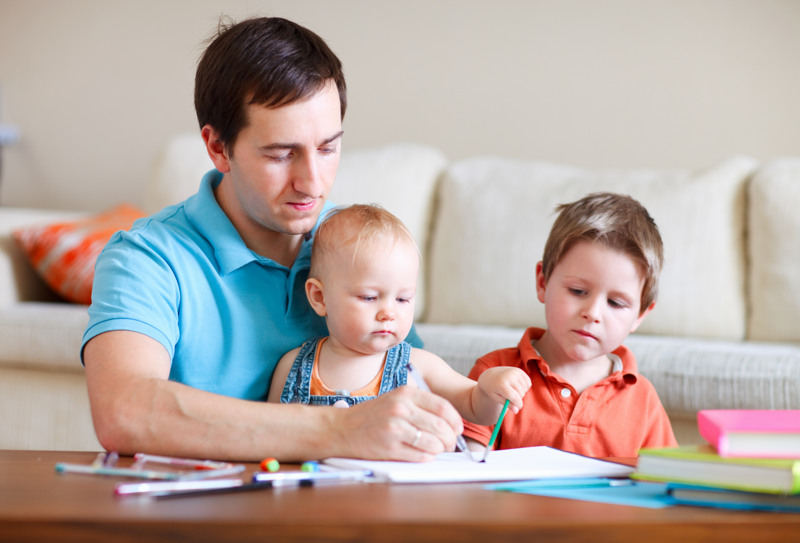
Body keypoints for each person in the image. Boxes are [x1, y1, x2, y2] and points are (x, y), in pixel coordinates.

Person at [81, 16, 466, 463]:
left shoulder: (356, 245)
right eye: (282, 154)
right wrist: (339, 428)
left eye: (328, 148)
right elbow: (123, 410)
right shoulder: (147, 258)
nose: (313, 183)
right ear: (218, 148)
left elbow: (411, 390)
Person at [267, 204, 530, 430]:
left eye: (403, 299)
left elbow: (475, 408)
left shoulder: (418, 365)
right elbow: (271, 433)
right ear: (319, 298)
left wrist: (488, 389)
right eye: (369, 297)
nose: (388, 313)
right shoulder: (294, 366)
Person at [462, 192, 678, 457]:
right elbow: (466, 467)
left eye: (616, 303)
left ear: (640, 315)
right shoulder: (494, 373)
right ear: (542, 283)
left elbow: (666, 479)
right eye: (577, 291)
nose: (593, 313)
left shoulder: (643, 400)